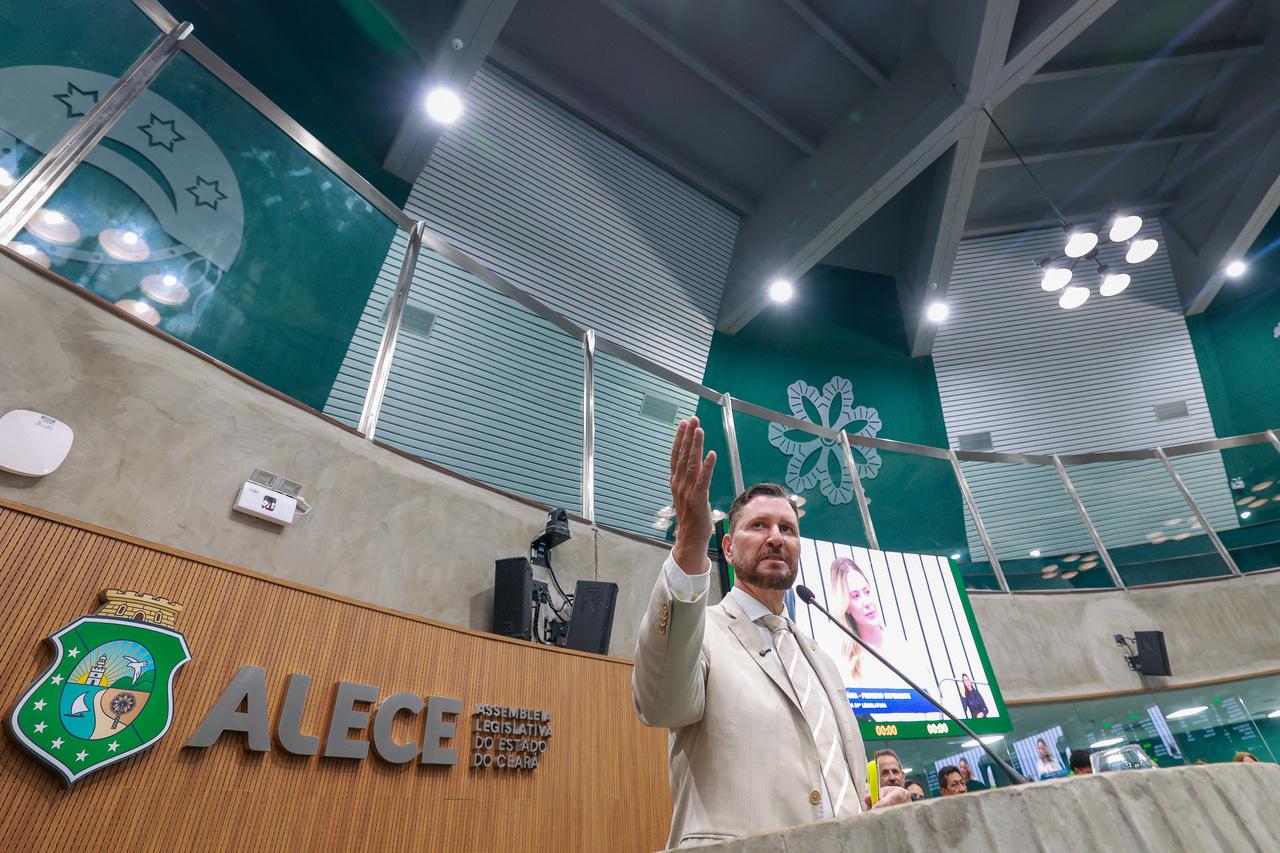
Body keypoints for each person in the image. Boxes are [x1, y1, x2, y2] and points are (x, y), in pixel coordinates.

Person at [632, 418, 911, 848]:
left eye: (788, 529)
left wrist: (865, 820)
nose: (776, 538)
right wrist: (690, 537)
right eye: (759, 526)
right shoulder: (701, 633)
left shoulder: (822, 660)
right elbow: (658, 704)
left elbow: (824, 795)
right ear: (727, 547)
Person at [828, 557, 938, 711]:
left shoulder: (908, 649)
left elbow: (934, 706)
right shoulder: (846, 665)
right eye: (855, 596)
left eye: (867, 591)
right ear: (846, 606)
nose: (867, 602)